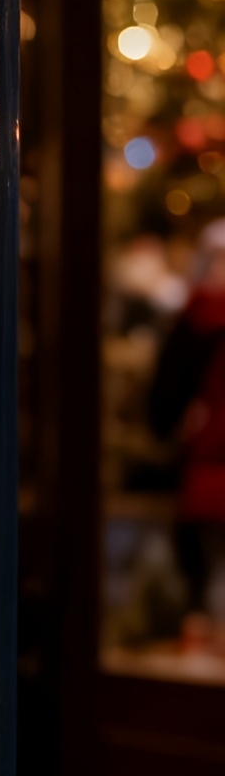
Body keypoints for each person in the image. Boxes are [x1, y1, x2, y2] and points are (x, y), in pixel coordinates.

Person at [148, 216, 225, 639]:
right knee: (196, 550)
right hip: (202, 454)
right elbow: (168, 385)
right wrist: (178, 420)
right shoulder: (193, 319)